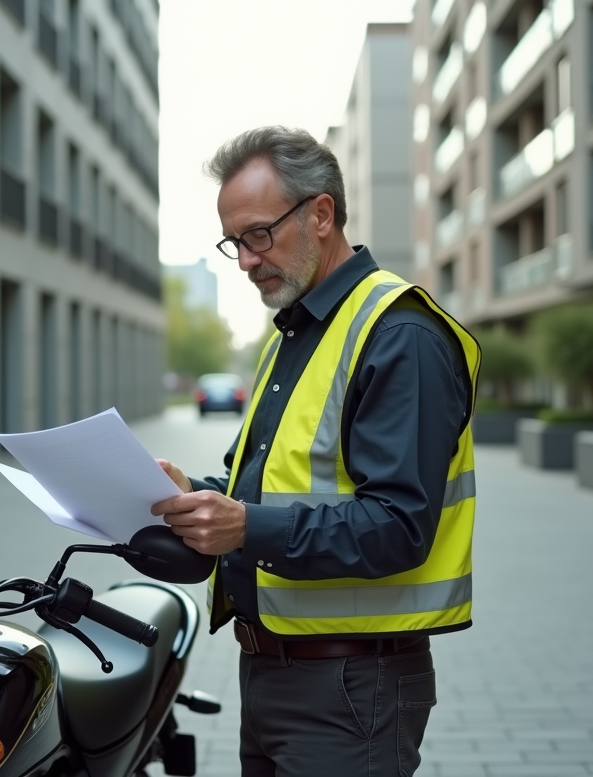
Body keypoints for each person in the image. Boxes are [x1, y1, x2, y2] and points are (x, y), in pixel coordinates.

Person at [152, 126, 480, 777]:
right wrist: (193, 489)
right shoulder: (295, 332)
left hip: (352, 685)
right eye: (233, 243)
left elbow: (397, 525)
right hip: (276, 669)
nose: (245, 260)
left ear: (321, 214)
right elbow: (277, 481)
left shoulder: (399, 334)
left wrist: (243, 527)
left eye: (258, 235)